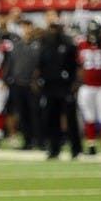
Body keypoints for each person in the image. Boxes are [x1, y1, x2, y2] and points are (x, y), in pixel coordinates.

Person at [38, 12, 82, 160]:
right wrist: (38, 80)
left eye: (55, 27)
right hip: (49, 86)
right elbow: (39, 65)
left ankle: (76, 149)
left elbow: (77, 66)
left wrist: (75, 83)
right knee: (51, 118)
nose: (53, 30)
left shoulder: (68, 43)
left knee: (70, 118)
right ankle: (54, 149)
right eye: (51, 27)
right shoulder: (44, 43)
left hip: (65, 85)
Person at [75, 19, 101, 156]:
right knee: (89, 116)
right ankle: (91, 144)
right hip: (87, 86)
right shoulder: (80, 43)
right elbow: (76, 64)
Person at [3, 19, 42, 150]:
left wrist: (37, 80)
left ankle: (39, 140)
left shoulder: (38, 45)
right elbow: (11, 63)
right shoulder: (16, 44)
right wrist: (8, 79)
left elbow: (41, 65)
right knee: (23, 114)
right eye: (24, 27)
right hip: (18, 84)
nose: (26, 30)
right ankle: (27, 141)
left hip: (32, 85)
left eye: (28, 27)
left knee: (35, 113)